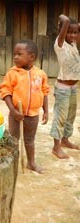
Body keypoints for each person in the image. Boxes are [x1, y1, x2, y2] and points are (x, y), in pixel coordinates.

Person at [0, 39, 49, 173]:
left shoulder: (40, 74)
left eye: (19, 54)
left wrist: (46, 111)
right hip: (16, 115)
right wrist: (13, 111)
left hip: (33, 115)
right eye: (14, 54)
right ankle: (11, 165)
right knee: (13, 140)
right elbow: (5, 92)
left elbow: (44, 92)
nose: (15, 57)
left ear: (31, 57)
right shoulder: (12, 73)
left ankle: (31, 163)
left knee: (30, 140)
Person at [50, 14, 80, 159]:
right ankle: (56, 147)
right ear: (62, 32)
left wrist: (74, 26)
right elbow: (66, 21)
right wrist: (64, 21)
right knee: (60, 117)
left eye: (75, 32)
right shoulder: (60, 44)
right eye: (69, 32)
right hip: (62, 88)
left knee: (70, 116)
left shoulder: (73, 44)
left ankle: (65, 140)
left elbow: (75, 28)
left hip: (74, 87)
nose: (73, 35)